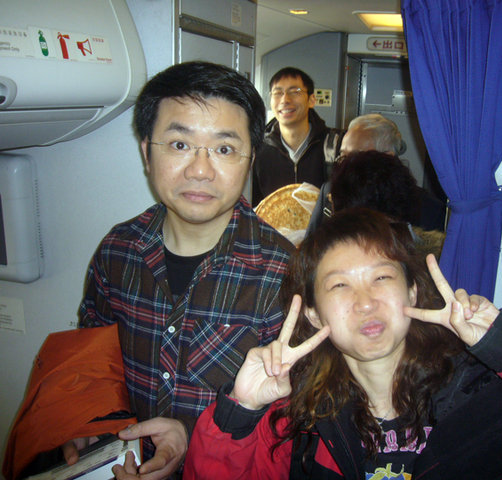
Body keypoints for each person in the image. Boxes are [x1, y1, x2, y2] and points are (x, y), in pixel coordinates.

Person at [183, 208, 502, 479]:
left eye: (382, 277)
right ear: (315, 315)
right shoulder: (298, 422)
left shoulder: (493, 401)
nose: (365, 302)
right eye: (340, 285)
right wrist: (240, 411)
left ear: (414, 292)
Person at [74, 61, 294, 479]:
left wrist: (193, 438)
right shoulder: (117, 252)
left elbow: (295, 422)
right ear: (147, 153)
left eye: (224, 149)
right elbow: (92, 366)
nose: (199, 170)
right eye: (179, 145)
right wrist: (87, 426)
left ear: (250, 159)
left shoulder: (283, 273)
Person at [306, 114, 446, 234]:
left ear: (387, 158)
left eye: (356, 156)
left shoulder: (427, 208)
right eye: (343, 156)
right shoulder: (329, 191)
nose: (345, 165)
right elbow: (309, 246)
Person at [252, 67, 344, 205]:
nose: (285, 99)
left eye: (295, 92)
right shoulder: (258, 150)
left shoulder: (336, 144)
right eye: (278, 93)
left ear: (311, 100)